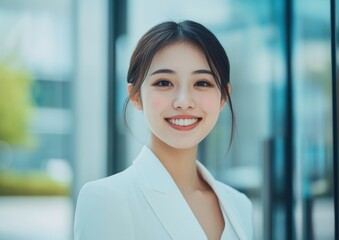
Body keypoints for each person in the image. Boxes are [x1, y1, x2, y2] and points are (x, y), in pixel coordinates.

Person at [74, 20, 253, 240]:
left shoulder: (239, 205)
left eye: (202, 83)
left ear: (223, 97)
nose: (183, 101)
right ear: (136, 96)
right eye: (164, 83)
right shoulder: (106, 200)